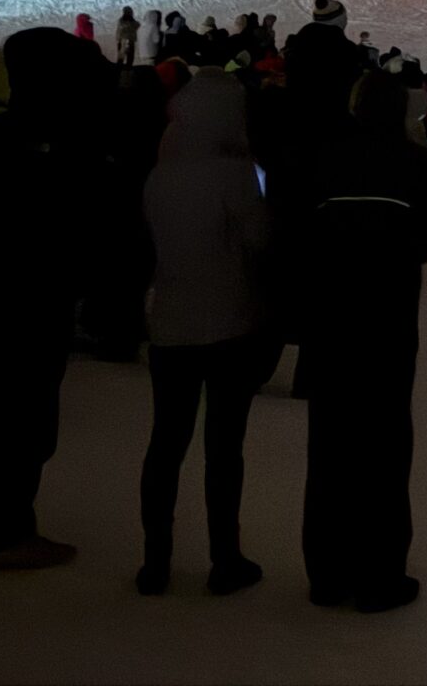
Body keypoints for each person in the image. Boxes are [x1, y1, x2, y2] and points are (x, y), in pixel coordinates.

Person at [0, 27, 107, 568]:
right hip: (34, 294)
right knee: (21, 413)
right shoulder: (58, 139)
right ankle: (4, 528)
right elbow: (74, 219)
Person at [300, 74, 427, 613]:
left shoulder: (326, 157)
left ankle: (327, 573)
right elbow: (425, 240)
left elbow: (301, 233)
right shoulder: (417, 163)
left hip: (331, 321)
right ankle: (380, 574)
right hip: (389, 322)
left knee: (330, 442)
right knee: (384, 442)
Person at [137, 70, 274, 596]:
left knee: (165, 444)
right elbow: (260, 242)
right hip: (229, 325)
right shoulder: (234, 175)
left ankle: (156, 560)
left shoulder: (160, 176)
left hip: (170, 324)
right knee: (223, 448)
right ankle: (225, 557)